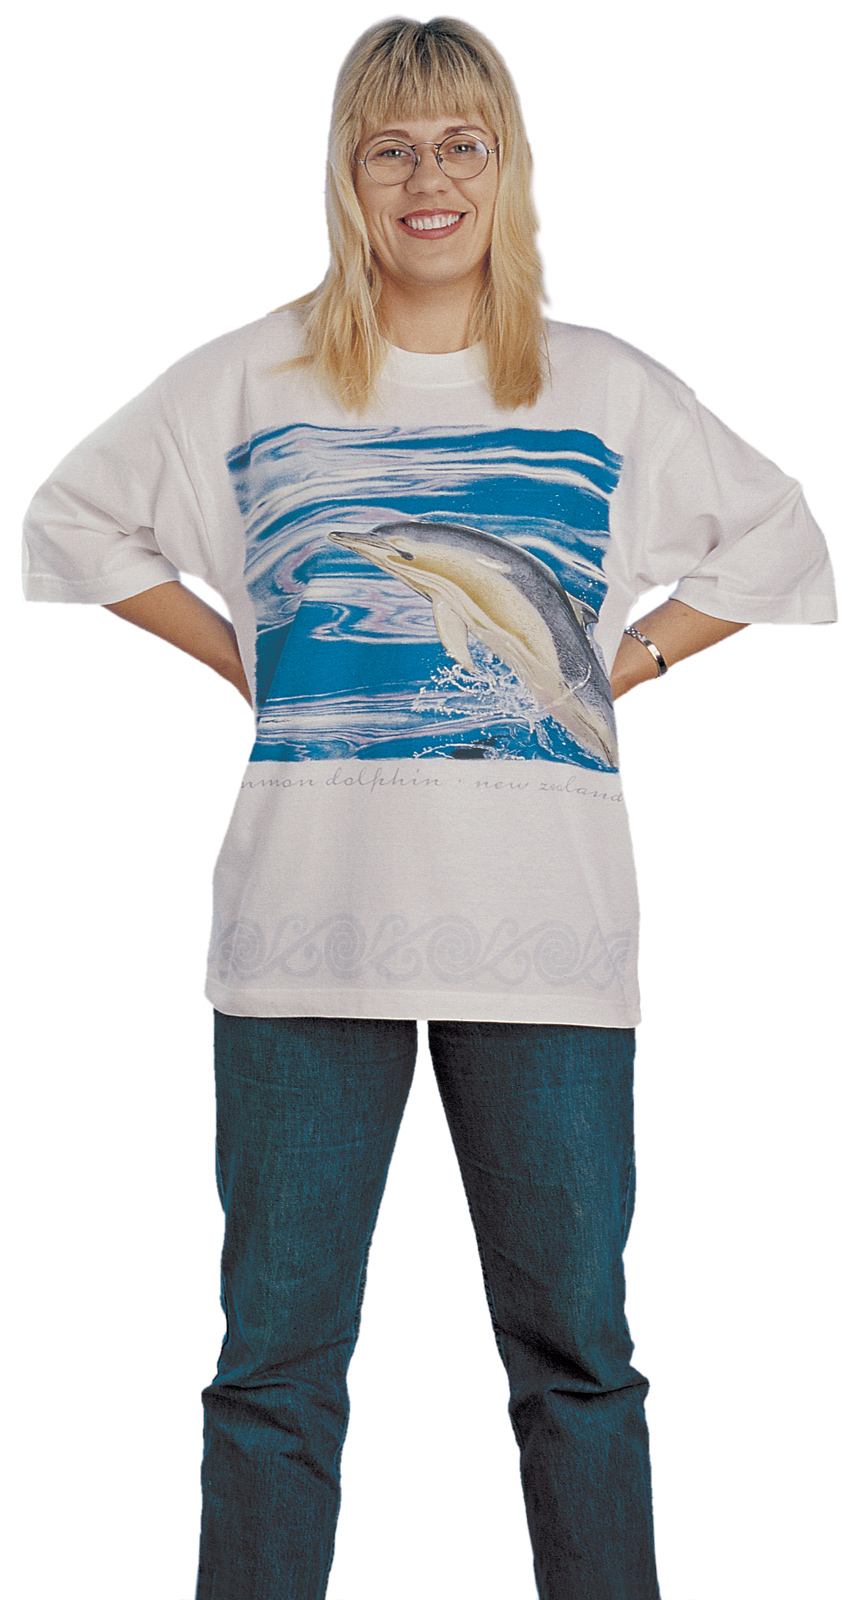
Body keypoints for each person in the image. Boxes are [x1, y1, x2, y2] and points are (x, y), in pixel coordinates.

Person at [21, 15, 836, 1600]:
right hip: (302, 931)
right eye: (388, 146)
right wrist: (248, 658)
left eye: (460, 142)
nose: (425, 177)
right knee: (273, 1364)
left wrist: (624, 664)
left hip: (545, 937)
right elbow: (72, 518)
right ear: (347, 172)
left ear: (505, 163)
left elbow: (782, 540)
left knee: (576, 1355)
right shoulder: (247, 376)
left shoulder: (601, 384)